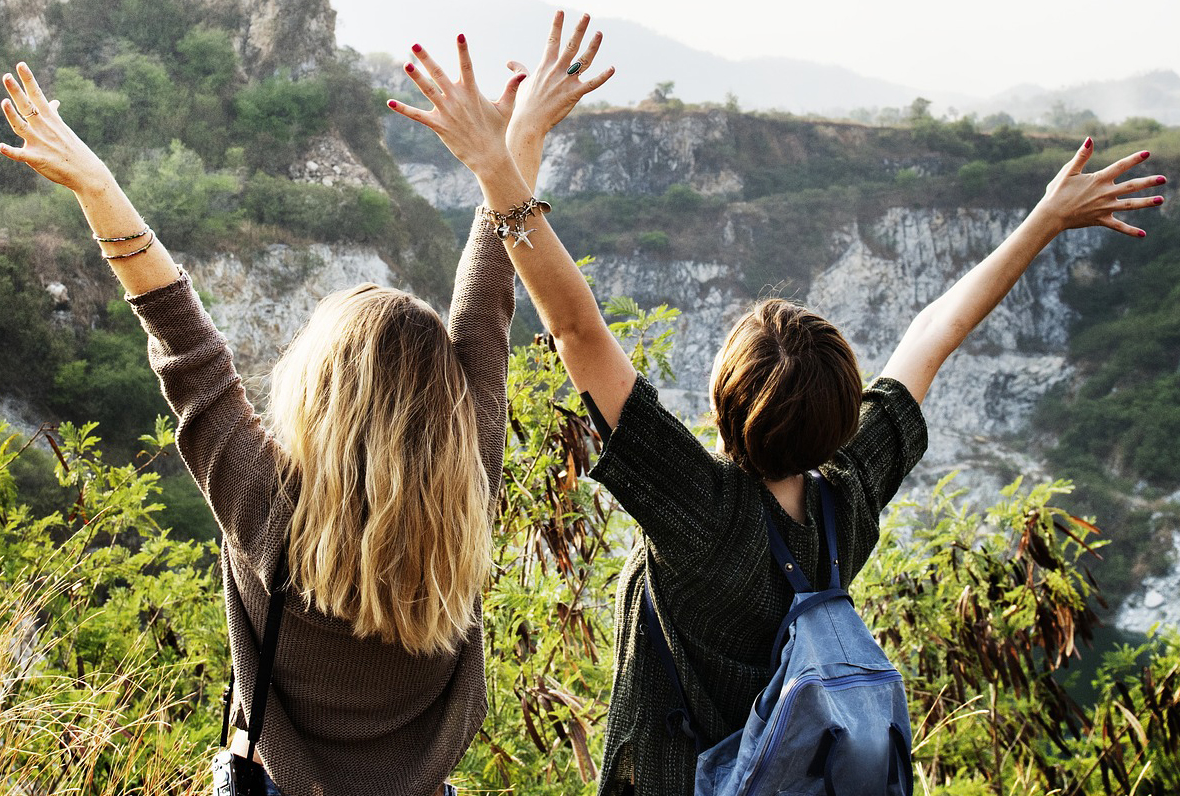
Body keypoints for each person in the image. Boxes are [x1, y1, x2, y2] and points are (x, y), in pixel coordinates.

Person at [388, 28, 1168, 796]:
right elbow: (934, 336)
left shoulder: (703, 511)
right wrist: (1043, 221)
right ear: (841, 419)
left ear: (723, 408)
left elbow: (574, 328)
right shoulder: (848, 500)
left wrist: (499, 166)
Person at [0, 13, 608, 792]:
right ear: (447, 404)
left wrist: (97, 185)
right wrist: (515, 145)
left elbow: (183, 340)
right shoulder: (470, 476)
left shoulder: (261, 503)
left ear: (317, 393)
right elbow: (489, 292)